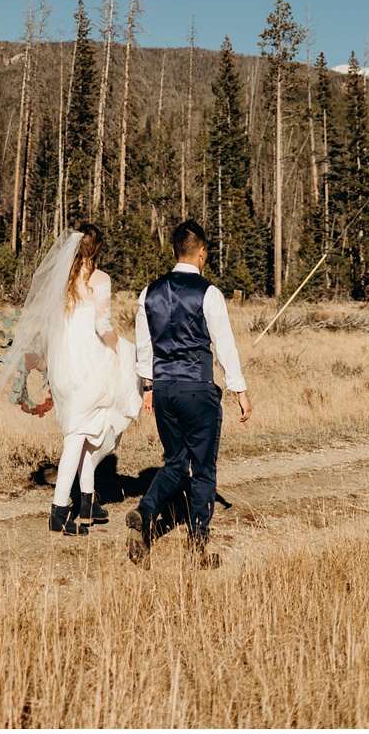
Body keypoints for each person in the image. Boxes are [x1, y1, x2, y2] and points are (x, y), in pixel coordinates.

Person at [0, 224, 140, 535]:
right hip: (88, 366)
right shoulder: (99, 280)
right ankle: (58, 510)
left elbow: (53, 327)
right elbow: (101, 324)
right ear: (97, 250)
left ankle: (86, 502)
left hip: (64, 368)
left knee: (80, 433)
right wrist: (121, 347)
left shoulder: (64, 281)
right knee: (78, 437)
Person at [128, 219, 251, 567]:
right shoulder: (208, 293)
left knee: (175, 463)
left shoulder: (148, 293)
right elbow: (223, 344)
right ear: (202, 252)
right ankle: (198, 547)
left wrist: (148, 387)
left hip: (164, 388)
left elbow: (144, 347)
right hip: (197, 388)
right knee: (203, 469)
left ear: (173, 251)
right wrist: (238, 388)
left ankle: (146, 511)